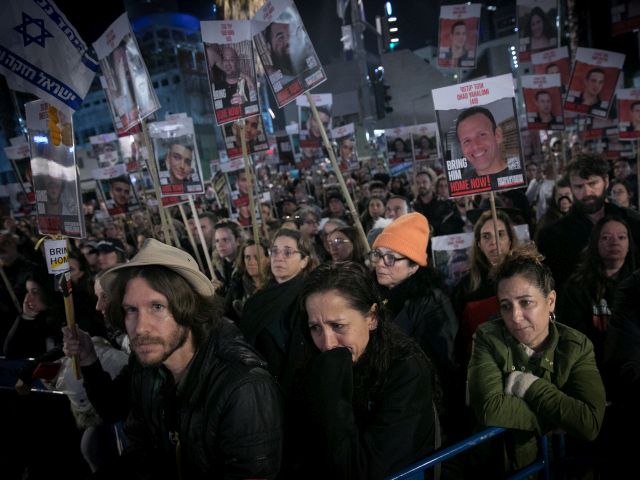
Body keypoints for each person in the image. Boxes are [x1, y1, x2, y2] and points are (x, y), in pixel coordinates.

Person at [77, 238, 283, 479]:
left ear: (189, 308)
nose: (141, 328)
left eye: (157, 307)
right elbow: (131, 436)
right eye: (131, 310)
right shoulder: (146, 365)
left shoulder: (244, 388)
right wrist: (89, 359)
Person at [285, 261, 437, 478]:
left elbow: (363, 471)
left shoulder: (405, 369)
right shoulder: (311, 362)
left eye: (338, 326)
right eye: (315, 328)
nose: (327, 344)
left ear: (372, 318)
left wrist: (332, 391)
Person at [467, 244, 606, 473]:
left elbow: (589, 423)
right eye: (505, 306)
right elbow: (489, 408)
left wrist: (529, 386)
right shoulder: (488, 337)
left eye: (526, 302)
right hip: (502, 466)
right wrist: (560, 419)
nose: (515, 317)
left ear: (550, 301)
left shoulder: (576, 347)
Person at [370, 213, 462, 441]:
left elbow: (442, 361)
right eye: (378, 255)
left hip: (419, 407)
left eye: (391, 258)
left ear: (413, 266)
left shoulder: (431, 302)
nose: (381, 264)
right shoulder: (373, 294)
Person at [537, 154, 640, 290]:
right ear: (571, 188)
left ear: (606, 181)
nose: (587, 192)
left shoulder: (632, 222)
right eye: (579, 187)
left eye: (593, 184)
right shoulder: (552, 235)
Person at [239, 228, 317, 390]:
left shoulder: (308, 299)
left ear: (304, 261)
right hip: (260, 383)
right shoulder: (258, 299)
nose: (279, 258)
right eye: (274, 252)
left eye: (288, 252)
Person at [558, 215, 637, 369]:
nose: (615, 242)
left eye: (621, 237)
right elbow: (572, 332)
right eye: (606, 237)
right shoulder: (577, 286)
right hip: (592, 363)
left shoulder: (636, 283)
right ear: (596, 243)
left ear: (629, 244)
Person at [452, 209, 518, 368]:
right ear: (479, 244)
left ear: (510, 240)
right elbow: (460, 341)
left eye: (500, 234)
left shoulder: (529, 277)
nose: (493, 242)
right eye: (486, 236)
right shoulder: (466, 288)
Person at [456, 106, 510, 178]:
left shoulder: (522, 176)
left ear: (498, 135)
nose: (475, 146)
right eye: (467, 141)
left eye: (482, 135)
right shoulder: (462, 183)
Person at [225, 239, 270, 321]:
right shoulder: (237, 286)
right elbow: (226, 313)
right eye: (247, 257)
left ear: (268, 259)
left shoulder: (276, 284)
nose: (251, 262)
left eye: (257, 257)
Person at [207, 44, 256, 109]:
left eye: (231, 60)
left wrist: (245, 102)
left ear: (237, 62)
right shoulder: (215, 86)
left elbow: (256, 106)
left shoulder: (248, 84)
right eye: (225, 60)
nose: (227, 64)